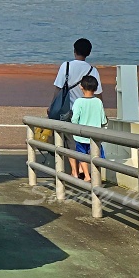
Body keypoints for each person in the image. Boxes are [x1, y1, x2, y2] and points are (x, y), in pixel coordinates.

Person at [54, 38, 103, 177]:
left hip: (68, 110)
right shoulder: (93, 70)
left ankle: (75, 171)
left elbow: (58, 88)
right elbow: (98, 94)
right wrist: (100, 109)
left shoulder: (66, 66)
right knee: (86, 141)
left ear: (74, 51)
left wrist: (52, 104)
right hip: (88, 110)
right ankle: (85, 169)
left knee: (71, 142)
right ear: (88, 53)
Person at [70, 75, 107, 182]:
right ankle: (97, 175)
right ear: (96, 88)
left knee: (82, 155)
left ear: (81, 87)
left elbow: (75, 119)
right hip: (95, 135)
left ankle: (87, 175)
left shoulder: (78, 102)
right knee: (98, 155)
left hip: (81, 135)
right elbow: (103, 120)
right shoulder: (98, 102)